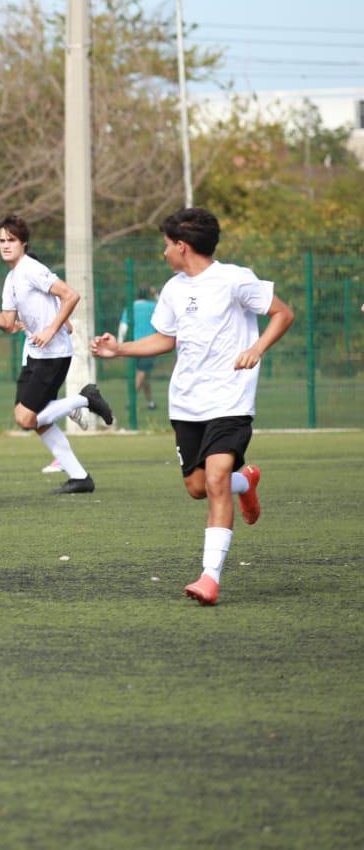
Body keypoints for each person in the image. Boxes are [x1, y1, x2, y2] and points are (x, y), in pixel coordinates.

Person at [92, 207, 293, 607]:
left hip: (230, 398)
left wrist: (256, 348)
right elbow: (165, 339)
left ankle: (209, 577)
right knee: (198, 487)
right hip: (187, 403)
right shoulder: (173, 289)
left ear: (181, 246)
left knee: (216, 478)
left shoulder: (236, 279)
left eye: (166, 246)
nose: (163, 252)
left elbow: (282, 314)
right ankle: (246, 482)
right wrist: (120, 350)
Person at [0, 216, 115, 495]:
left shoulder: (30, 269)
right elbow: (6, 324)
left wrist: (52, 328)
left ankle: (85, 399)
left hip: (53, 354)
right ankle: (79, 477)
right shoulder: (11, 277)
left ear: (23, 244)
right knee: (36, 420)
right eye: (1, 240)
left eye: (11, 240)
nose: (5, 245)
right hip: (35, 356)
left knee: (27, 419)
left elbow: (71, 295)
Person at [118, 285, 160, 410]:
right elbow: (165, 305)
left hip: (135, 345)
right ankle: (131, 402)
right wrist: (156, 293)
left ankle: (150, 402)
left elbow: (123, 327)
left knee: (144, 375)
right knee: (142, 373)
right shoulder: (153, 306)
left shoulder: (130, 307)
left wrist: (119, 345)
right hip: (150, 344)